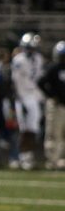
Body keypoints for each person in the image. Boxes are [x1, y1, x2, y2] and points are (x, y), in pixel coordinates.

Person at [11, 32, 45, 170]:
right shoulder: (19, 60)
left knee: (34, 129)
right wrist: (20, 100)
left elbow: (38, 79)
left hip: (34, 97)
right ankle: (21, 157)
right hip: (23, 96)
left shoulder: (38, 58)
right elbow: (15, 82)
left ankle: (28, 156)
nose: (30, 50)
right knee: (24, 129)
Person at [38, 41, 65, 170]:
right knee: (54, 133)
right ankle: (52, 160)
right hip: (56, 105)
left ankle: (61, 159)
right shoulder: (53, 68)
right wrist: (51, 95)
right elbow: (41, 82)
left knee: (62, 134)